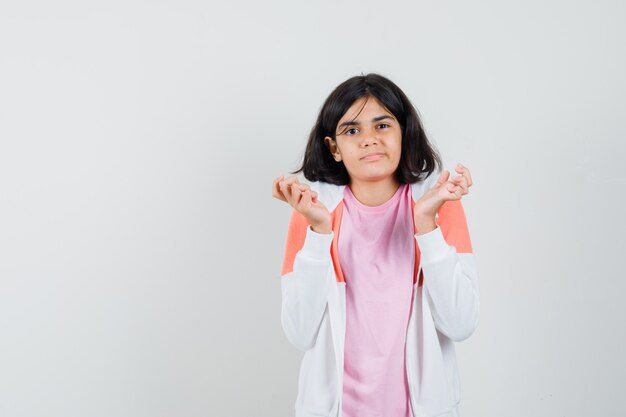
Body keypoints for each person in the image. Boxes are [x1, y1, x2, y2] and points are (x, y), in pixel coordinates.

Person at [271, 73, 480, 417]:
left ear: (404, 134)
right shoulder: (313, 209)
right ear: (333, 148)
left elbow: (460, 324)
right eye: (352, 130)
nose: (369, 139)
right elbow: (300, 333)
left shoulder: (439, 202)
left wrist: (426, 226)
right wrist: (319, 231)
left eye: (382, 126)